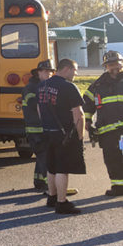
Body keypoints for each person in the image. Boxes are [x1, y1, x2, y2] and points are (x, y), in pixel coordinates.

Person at [37, 58, 85, 214]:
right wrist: (80, 136)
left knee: (51, 167)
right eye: (75, 70)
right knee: (62, 169)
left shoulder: (42, 86)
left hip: (47, 132)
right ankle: (62, 203)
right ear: (67, 69)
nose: (76, 74)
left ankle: (52, 197)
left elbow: (39, 109)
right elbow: (78, 115)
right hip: (64, 135)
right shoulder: (69, 87)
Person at [82, 50, 123, 196]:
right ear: (105, 66)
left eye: (116, 63)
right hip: (108, 131)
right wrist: (87, 120)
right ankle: (118, 187)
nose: (114, 67)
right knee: (112, 159)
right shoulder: (97, 85)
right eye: (110, 64)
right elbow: (87, 103)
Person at [22, 59, 56, 191]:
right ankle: (50, 186)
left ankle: (39, 181)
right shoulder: (31, 88)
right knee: (45, 155)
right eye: (46, 71)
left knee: (42, 155)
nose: (48, 74)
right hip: (35, 129)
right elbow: (37, 106)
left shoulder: (44, 86)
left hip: (43, 128)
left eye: (50, 72)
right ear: (38, 72)